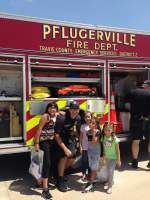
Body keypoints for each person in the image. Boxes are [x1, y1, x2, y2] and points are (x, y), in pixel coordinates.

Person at [54, 100, 81, 192]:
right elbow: (56, 135)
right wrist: (65, 149)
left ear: (78, 110)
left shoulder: (78, 118)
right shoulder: (62, 118)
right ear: (69, 110)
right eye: (72, 109)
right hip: (59, 140)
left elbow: (78, 132)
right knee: (64, 157)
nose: (74, 111)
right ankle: (60, 181)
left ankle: (58, 173)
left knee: (73, 158)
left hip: (69, 139)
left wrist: (80, 144)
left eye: (76, 109)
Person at [34, 102, 59, 200]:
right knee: (47, 163)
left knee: (50, 162)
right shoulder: (46, 116)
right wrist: (36, 143)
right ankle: (45, 189)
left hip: (51, 142)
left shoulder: (55, 115)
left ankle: (40, 181)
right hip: (44, 142)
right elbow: (39, 129)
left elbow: (61, 113)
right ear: (47, 109)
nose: (52, 109)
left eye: (54, 108)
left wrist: (59, 112)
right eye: (51, 108)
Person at [130, 80, 150, 168]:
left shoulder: (133, 92)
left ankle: (135, 162)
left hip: (136, 119)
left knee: (136, 141)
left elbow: (126, 105)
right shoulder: (149, 94)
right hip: (148, 120)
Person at [101, 122, 121, 194]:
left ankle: (110, 186)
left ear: (112, 130)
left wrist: (118, 160)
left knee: (111, 171)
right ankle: (110, 180)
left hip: (113, 158)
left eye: (109, 130)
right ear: (103, 130)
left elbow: (118, 150)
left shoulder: (114, 138)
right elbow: (103, 147)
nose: (107, 131)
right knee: (107, 170)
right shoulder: (103, 137)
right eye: (105, 130)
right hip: (106, 157)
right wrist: (104, 156)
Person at [83, 116, 101, 192]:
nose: (91, 124)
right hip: (90, 151)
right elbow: (89, 142)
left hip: (96, 152)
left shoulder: (97, 132)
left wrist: (94, 133)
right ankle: (94, 179)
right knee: (91, 166)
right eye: (90, 122)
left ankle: (90, 183)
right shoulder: (88, 131)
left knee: (93, 168)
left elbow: (94, 142)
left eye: (93, 123)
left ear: (96, 125)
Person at [79, 111, 92, 181]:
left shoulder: (93, 125)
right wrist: (80, 146)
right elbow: (81, 137)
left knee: (90, 161)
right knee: (84, 161)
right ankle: (83, 174)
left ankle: (89, 174)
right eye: (86, 117)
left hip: (92, 148)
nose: (87, 118)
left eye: (89, 116)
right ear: (84, 118)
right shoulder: (82, 126)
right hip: (84, 147)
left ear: (91, 117)